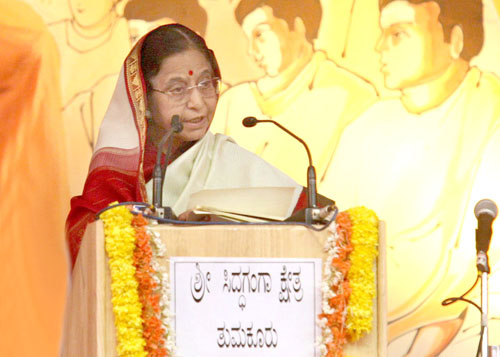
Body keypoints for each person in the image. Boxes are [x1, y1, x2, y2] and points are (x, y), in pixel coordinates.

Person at [321, 0, 500, 355]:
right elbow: (326, 239)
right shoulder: (366, 127)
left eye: (398, 34)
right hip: (358, 336)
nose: (379, 48)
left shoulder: (489, 115)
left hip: (461, 334)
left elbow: (467, 279)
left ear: (456, 40)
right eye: (382, 33)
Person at [66, 23, 316, 269]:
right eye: (177, 89)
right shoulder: (116, 178)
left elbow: (319, 222)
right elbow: (84, 247)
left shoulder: (227, 160)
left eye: (205, 83)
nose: (198, 102)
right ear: (144, 98)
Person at [210, 0, 378, 186]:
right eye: (248, 38)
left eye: (260, 35)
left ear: (298, 26)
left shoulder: (352, 95)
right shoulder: (233, 101)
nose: (251, 51)